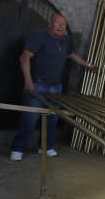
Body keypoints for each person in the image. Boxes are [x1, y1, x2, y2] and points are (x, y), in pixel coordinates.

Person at [10, 14, 94, 161]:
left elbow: (72, 54)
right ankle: (18, 149)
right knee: (29, 119)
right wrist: (28, 81)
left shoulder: (66, 40)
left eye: (64, 24)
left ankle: (45, 147)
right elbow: (24, 57)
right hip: (38, 85)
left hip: (56, 88)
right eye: (58, 23)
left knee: (52, 120)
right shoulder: (39, 37)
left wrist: (87, 65)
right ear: (51, 24)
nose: (61, 26)